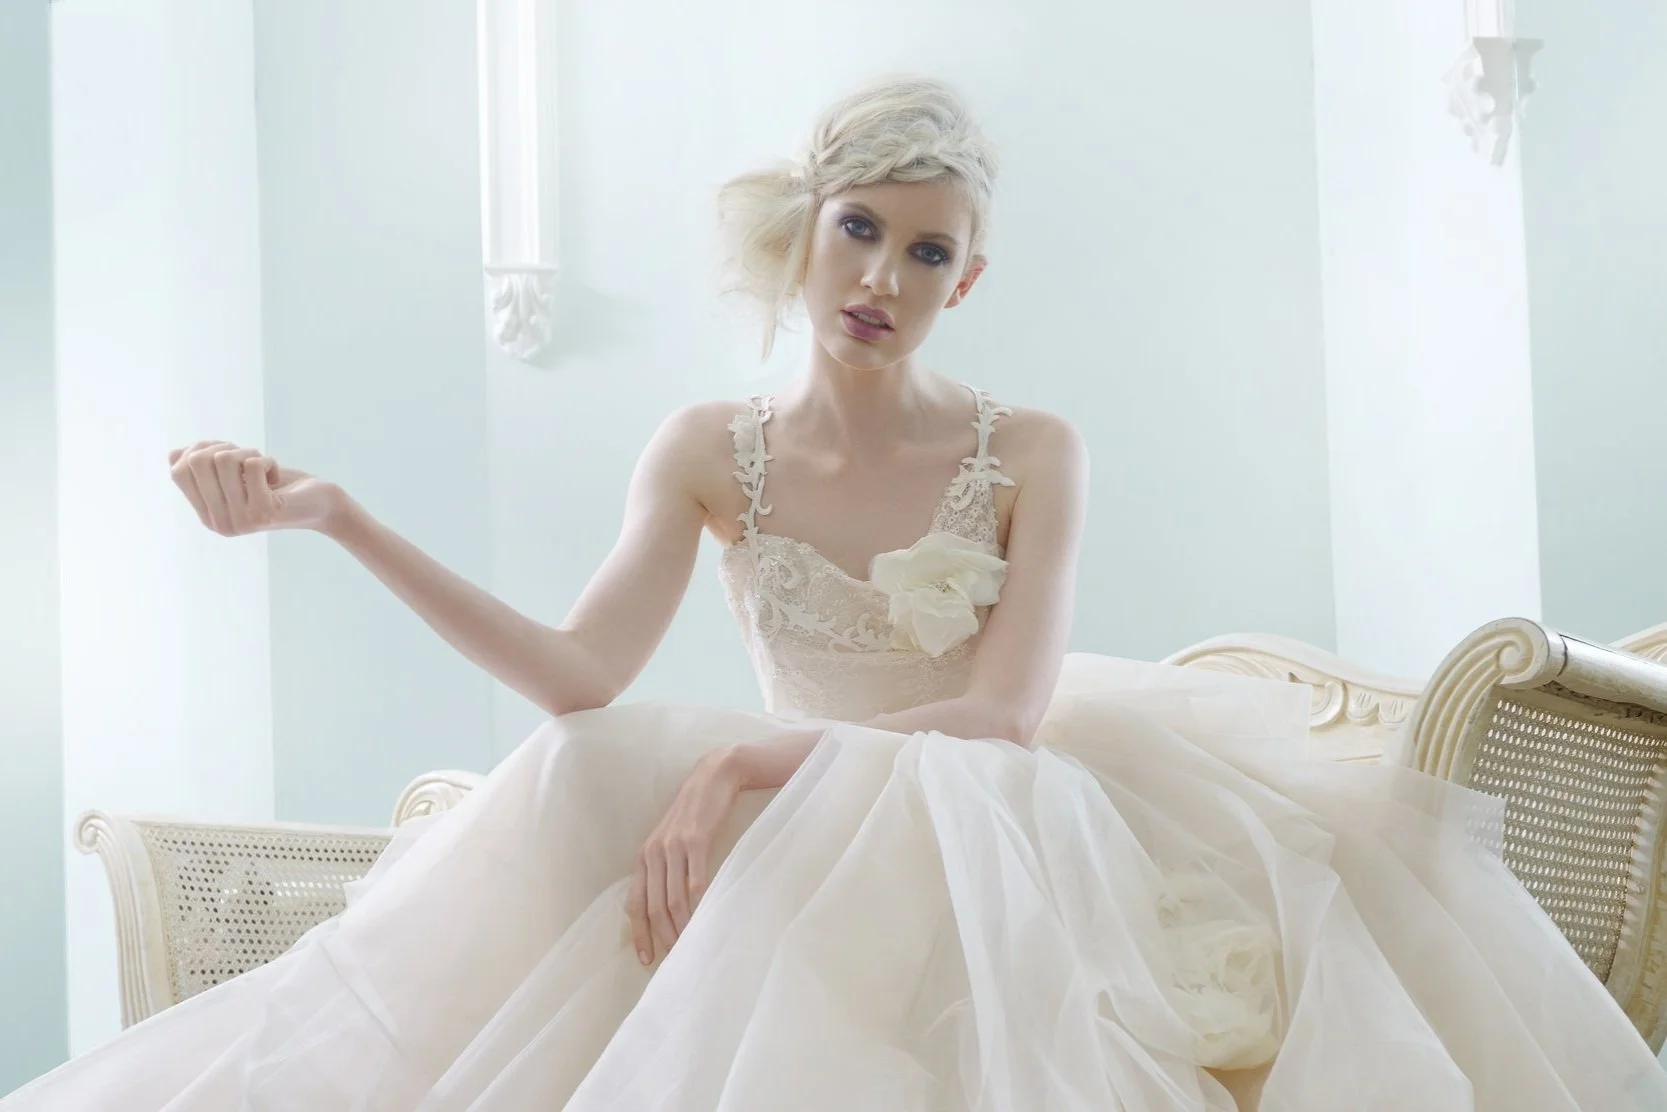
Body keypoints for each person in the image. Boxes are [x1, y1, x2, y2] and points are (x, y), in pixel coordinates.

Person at [5, 74, 1663, 1112]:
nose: (882, 278)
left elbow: (1001, 718)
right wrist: (340, 518)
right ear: (805, 236)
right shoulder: (706, 450)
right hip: (797, 814)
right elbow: (580, 671)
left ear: (968, 278)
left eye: (926, 253)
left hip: (988, 801)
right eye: (860, 231)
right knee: (587, 761)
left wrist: (743, 758)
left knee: (883, 827)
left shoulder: (1030, 450)